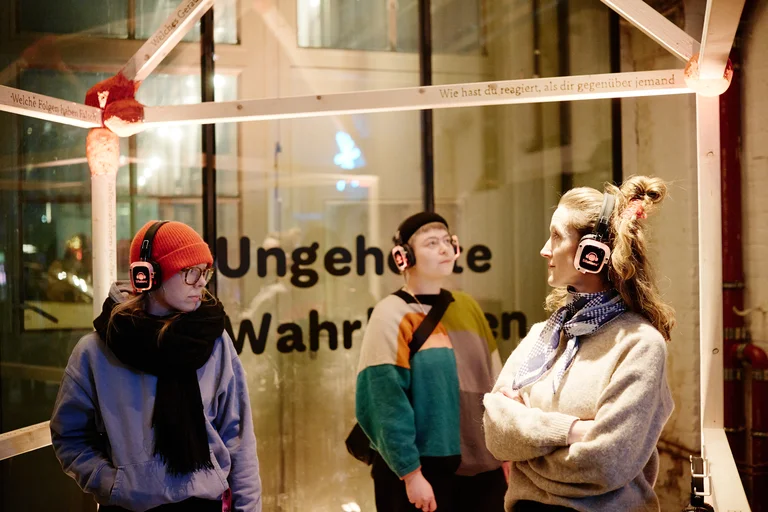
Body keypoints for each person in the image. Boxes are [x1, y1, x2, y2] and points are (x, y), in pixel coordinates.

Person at [483, 176, 675, 512]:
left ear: (592, 254)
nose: (545, 249)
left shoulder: (640, 345)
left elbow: (605, 464)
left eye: (557, 236)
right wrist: (570, 432)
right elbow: (495, 433)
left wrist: (526, 452)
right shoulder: (543, 335)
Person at [50, 220, 262, 512]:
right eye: (190, 272)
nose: (201, 282)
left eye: (205, 272)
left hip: (205, 504)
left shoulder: (214, 341)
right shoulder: (95, 352)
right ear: (148, 275)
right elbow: (70, 436)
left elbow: (239, 440)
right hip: (128, 509)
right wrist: (112, 484)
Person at [355, 211, 508, 512]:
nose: (444, 249)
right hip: (423, 469)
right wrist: (411, 474)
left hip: (481, 466)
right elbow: (384, 401)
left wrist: (506, 453)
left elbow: (496, 380)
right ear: (404, 257)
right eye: (431, 243)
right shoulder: (390, 313)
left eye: (447, 241)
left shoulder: (467, 306)